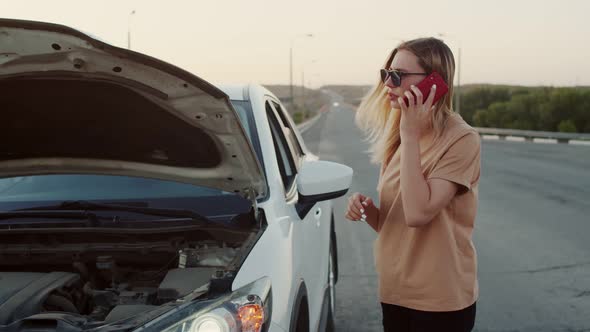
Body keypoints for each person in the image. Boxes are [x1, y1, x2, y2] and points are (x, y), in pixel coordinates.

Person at [345, 37, 481, 332]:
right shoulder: (398, 137)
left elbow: (419, 214)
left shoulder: (461, 139)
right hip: (395, 292)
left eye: (398, 76)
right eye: (386, 74)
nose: (388, 84)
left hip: (439, 300)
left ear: (434, 81)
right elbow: (398, 220)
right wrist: (369, 211)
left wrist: (409, 134)